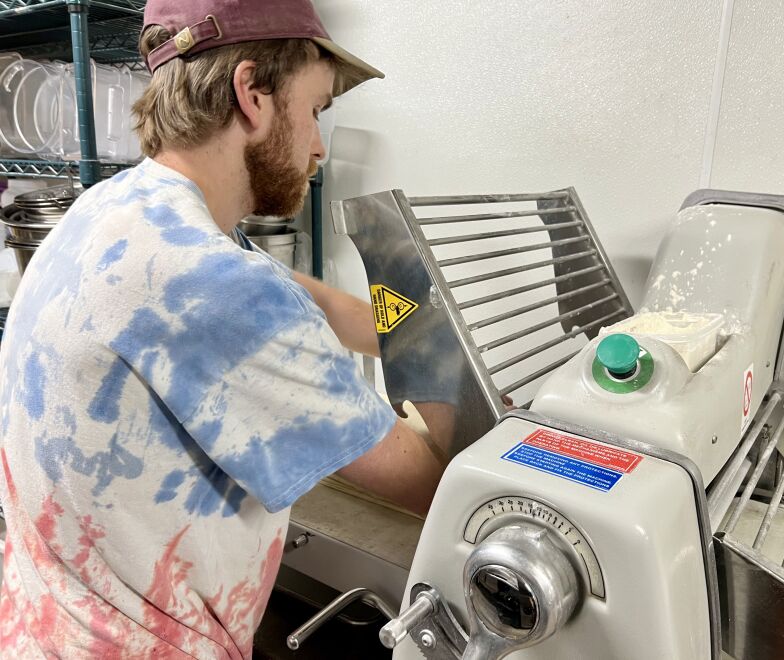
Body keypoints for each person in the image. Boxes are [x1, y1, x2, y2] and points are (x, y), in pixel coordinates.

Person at [0, 1, 450, 656]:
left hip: (37, 624)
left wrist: (408, 323)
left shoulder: (114, 208)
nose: (320, 144)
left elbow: (304, 299)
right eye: (316, 109)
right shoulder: (217, 286)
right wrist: (445, 362)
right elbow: (429, 484)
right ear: (252, 94)